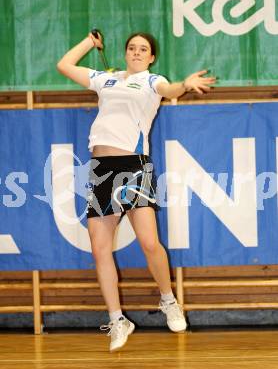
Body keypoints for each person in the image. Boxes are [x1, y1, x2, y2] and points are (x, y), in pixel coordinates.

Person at [57, 30, 215, 352]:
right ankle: (117, 319)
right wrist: (89, 42)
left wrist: (183, 85)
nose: (137, 52)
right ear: (125, 52)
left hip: (133, 167)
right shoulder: (106, 79)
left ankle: (168, 299)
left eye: (144, 49)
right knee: (100, 250)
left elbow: (170, 89)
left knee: (148, 242)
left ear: (152, 57)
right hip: (101, 169)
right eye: (132, 48)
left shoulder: (151, 81)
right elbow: (64, 65)